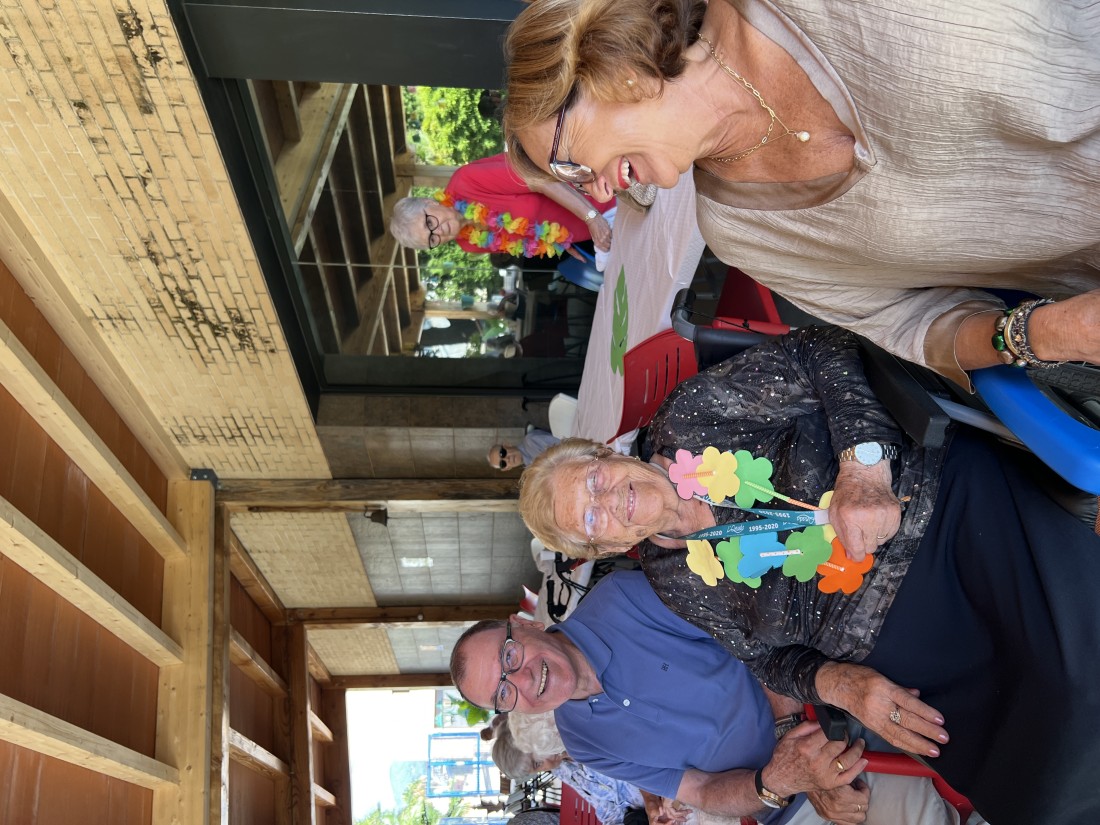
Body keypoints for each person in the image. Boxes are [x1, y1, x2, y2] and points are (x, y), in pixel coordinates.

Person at [517, 325, 1100, 824]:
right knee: (1032, 793)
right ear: (603, 546)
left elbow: (822, 348)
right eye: (590, 519)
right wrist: (845, 685)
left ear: (606, 455)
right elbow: (765, 659)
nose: (610, 501)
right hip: (887, 650)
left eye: (594, 481)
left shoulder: (692, 420)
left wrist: (863, 469)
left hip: (934, 520)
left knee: (1075, 693)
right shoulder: (671, 576)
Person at [500, 0, 1100, 388]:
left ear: (606, 63)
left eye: (570, 162)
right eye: (573, 183)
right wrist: (1049, 334)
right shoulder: (743, 233)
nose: (597, 188)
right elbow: (915, 327)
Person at [451, 569, 948, 825]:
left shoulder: (621, 600)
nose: (522, 680)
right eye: (503, 692)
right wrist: (778, 783)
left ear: (525, 624)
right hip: (786, 806)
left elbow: (755, 632)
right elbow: (703, 791)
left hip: (826, 717)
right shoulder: (583, 741)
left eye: (509, 656)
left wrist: (796, 745)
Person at [500, 712, 960, 825]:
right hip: (755, 792)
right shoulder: (578, 763)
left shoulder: (619, 718)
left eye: (542, 758)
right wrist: (659, 805)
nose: (551, 763)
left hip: (776, 763)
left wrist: (793, 781)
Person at [389, 153, 613, 261]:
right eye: (432, 240)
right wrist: (565, 244)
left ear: (429, 202)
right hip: (598, 232)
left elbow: (540, 178)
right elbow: (527, 236)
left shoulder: (465, 182)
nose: (438, 232)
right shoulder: (469, 244)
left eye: (429, 223)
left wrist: (592, 217)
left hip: (602, 190)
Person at [490, 429, 561, 471]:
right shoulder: (532, 472)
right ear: (506, 468)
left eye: (502, 453)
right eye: (503, 463)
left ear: (507, 445)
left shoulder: (531, 440)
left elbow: (564, 444)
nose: (507, 459)